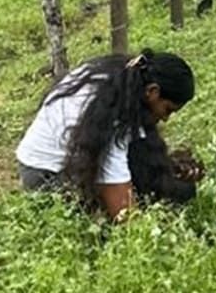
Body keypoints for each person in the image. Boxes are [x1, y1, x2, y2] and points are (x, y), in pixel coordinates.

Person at [14, 50, 200, 219]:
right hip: (44, 175)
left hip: (59, 160)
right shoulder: (111, 114)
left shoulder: (124, 79)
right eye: (168, 110)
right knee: (101, 221)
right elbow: (124, 216)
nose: (165, 118)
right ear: (152, 91)